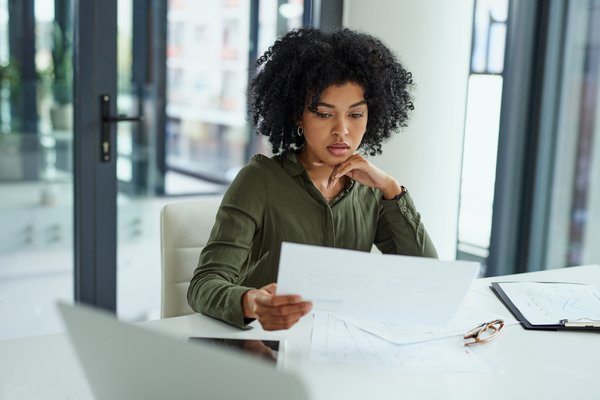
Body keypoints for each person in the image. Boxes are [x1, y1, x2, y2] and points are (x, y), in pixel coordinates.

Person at [187, 27, 438, 331]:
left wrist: (392, 190)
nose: (342, 130)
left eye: (356, 115)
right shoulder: (259, 181)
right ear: (297, 115)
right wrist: (252, 302)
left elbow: (426, 277)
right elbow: (203, 285)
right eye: (323, 114)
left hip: (343, 343)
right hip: (268, 344)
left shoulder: (373, 190)